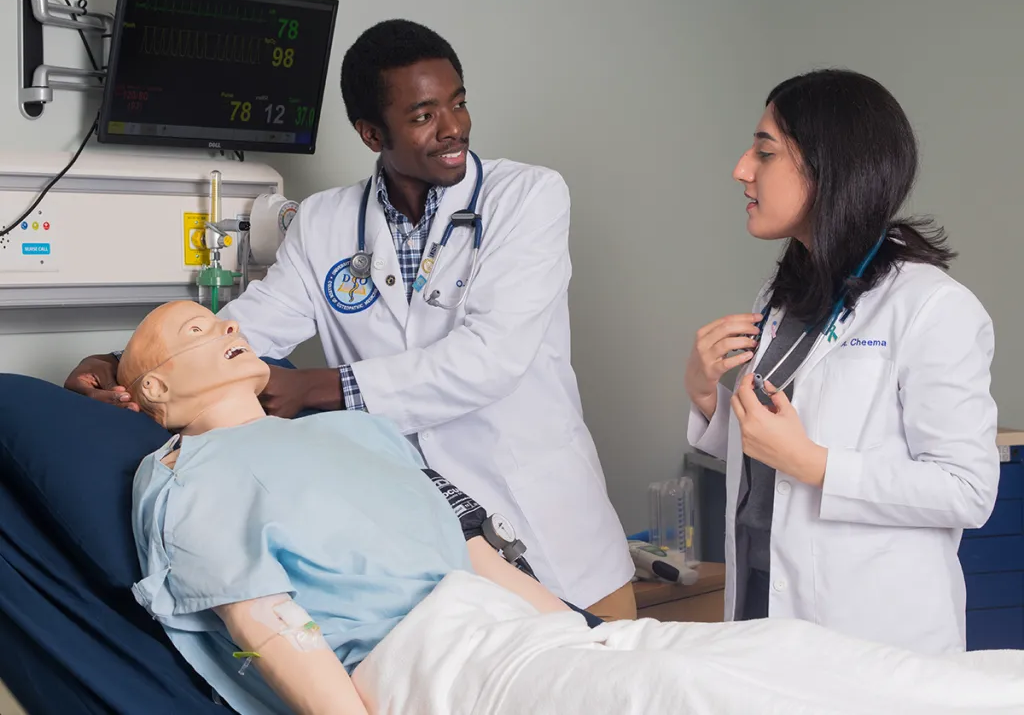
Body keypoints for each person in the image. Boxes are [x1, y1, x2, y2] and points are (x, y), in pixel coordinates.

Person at [126, 300, 1024, 715]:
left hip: (518, 630)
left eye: (222, 317)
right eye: (197, 330)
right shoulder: (184, 476)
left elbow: (469, 553)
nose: (230, 324)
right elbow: (265, 618)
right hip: (425, 661)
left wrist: (584, 631)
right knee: (697, 692)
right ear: (157, 386)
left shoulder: (353, 431)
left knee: (783, 653)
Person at [63, 19, 635, 619]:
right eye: (423, 115)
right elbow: (245, 328)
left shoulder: (527, 197)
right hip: (420, 535)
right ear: (370, 133)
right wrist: (119, 367)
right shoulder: (324, 222)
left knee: (620, 683)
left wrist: (318, 388)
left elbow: (491, 359)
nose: (454, 128)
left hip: (549, 521)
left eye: (458, 103)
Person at [683, 68, 999, 655]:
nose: (742, 169)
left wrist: (816, 464)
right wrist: (708, 399)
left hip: (868, 632)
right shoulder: (781, 298)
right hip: (759, 600)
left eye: (764, 151)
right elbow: (769, 450)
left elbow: (967, 490)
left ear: (829, 166)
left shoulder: (931, 307)